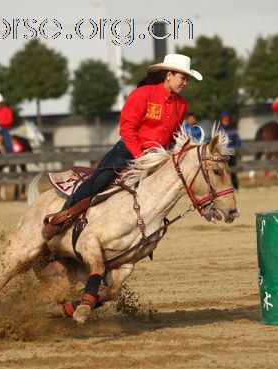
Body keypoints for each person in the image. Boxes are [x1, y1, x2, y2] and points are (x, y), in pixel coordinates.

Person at [43, 54, 202, 240]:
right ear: (169, 74)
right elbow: (127, 129)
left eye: (187, 80)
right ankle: (61, 218)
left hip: (158, 157)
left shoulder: (181, 105)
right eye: (183, 78)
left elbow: (174, 135)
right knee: (98, 182)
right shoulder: (143, 94)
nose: (185, 83)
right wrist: (140, 155)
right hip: (128, 151)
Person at [218, 112, 241, 190]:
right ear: (221, 120)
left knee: (233, 171)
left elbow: (238, 141)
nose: (226, 121)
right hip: (222, 154)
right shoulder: (219, 130)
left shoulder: (233, 129)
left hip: (232, 153)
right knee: (222, 171)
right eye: (224, 120)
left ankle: (236, 186)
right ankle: (224, 188)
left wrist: (235, 148)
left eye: (227, 119)